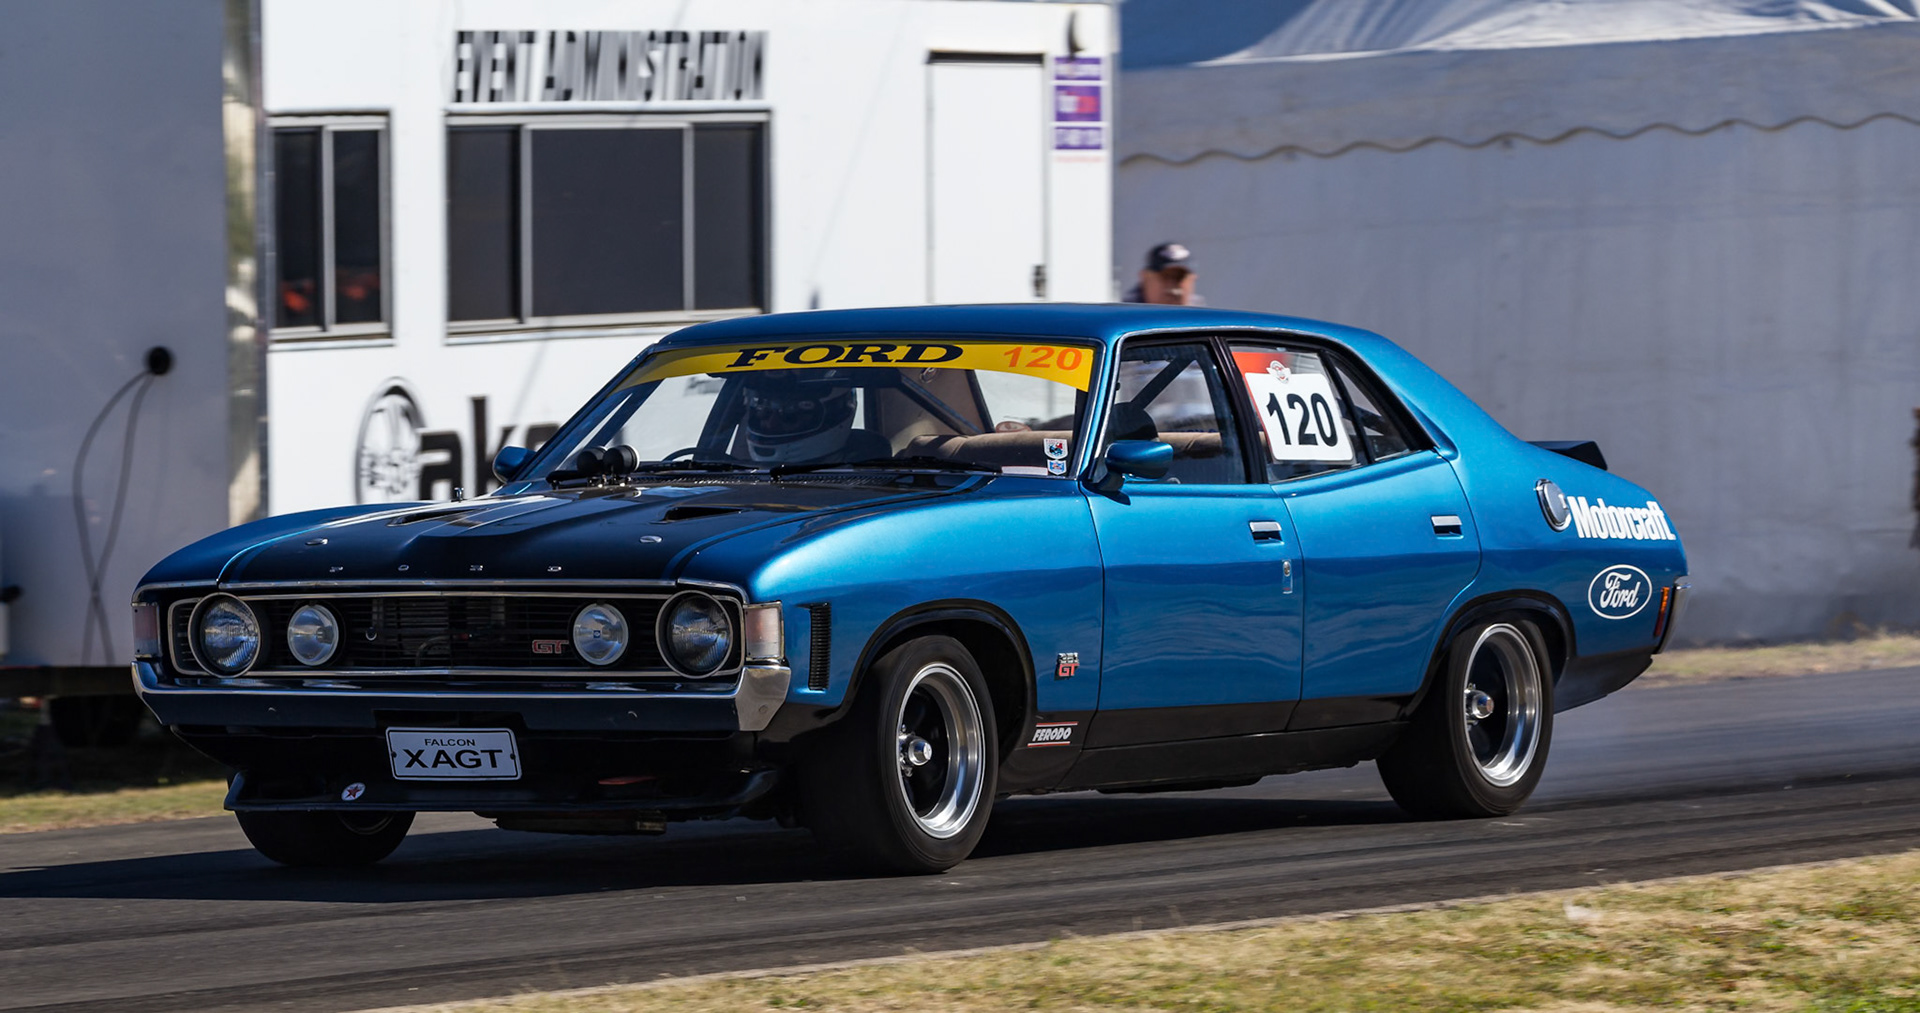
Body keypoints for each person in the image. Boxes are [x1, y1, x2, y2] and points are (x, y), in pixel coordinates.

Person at [1124, 242, 1199, 305]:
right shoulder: (1125, 315)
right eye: (1165, 276)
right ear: (1145, 277)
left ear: (1192, 280)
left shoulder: (1201, 316)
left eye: (1179, 278)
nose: (1173, 290)